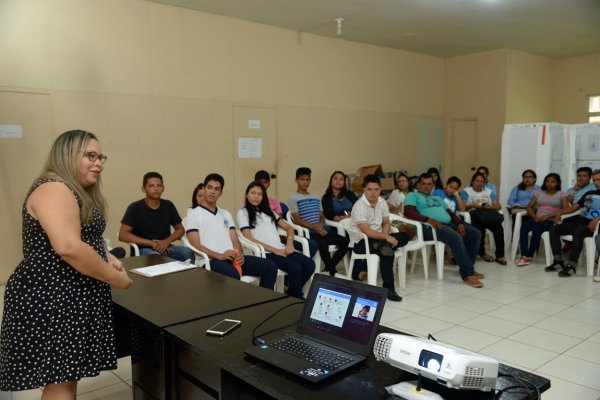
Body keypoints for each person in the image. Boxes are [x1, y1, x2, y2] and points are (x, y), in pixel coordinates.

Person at [0, 130, 132, 396]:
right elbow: (69, 248)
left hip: (68, 293)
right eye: (90, 156)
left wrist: (105, 255)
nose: (99, 163)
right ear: (68, 155)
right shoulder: (55, 188)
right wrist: (114, 278)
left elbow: (80, 237)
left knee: (64, 378)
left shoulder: (70, 190)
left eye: (101, 157)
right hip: (53, 296)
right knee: (61, 379)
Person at [184, 173, 278, 288]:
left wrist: (240, 254)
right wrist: (219, 256)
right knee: (233, 276)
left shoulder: (225, 214)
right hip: (210, 261)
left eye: (217, 189)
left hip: (232, 258)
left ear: (220, 193)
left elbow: (235, 239)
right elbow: (196, 244)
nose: (212, 192)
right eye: (209, 187)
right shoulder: (193, 215)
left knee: (270, 267)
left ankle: (265, 303)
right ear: (203, 189)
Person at [404, 173, 484, 288]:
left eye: (429, 184)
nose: (426, 186)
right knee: (456, 237)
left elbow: (450, 213)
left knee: (475, 233)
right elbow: (408, 212)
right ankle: (468, 274)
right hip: (428, 227)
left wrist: (460, 223)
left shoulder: (437, 198)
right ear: (419, 185)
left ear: (433, 185)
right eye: (423, 184)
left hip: (448, 224)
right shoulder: (413, 195)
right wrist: (427, 219)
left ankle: (468, 266)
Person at [237, 181, 316, 299]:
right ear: (247, 194)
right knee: (296, 268)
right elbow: (249, 238)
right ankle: (296, 297)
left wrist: (289, 244)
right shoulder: (243, 213)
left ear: (263, 197)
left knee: (309, 265)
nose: (256, 196)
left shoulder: (269, 212)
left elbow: (289, 228)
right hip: (266, 253)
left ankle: (292, 293)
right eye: (253, 193)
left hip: (282, 248)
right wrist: (275, 250)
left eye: (259, 194)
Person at [349, 175, 409, 301]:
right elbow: (366, 231)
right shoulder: (359, 206)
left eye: (376, 189)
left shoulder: (381, 201)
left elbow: (386, 222)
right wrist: (386, 237)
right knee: (387, 252)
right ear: (364, 189)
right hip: (361, 241)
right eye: (369, 189)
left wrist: (385, 237)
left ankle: (383, 245)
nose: (373, 193)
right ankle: (389, 290)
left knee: (404, 236)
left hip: (379, 238)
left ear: (380, 190)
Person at [289, 167, 349, 276]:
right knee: (322, 243)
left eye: (307, 180)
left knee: (345, 241)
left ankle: (328, 269)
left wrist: (320, 225)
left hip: (320, 230)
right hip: (308, 233)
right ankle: (332, 272)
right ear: (296, 180)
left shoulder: (316, 197)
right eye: (302, 179)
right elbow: (297, 220)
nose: (305, 182)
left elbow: (322, 217)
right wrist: (314, 227)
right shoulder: (293, 198)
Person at [119, 172, 192, 262]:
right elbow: (123, 235)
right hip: (143, 249)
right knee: (156, 257)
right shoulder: (135, 207)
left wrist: (166, 242)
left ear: (163, 188)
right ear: (143, 189)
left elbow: (180, 229)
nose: (156, 188)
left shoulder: (168, 205)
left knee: (187, 253)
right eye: (151, 186)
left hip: (166, 247)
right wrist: (151, 243)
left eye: (159, 185)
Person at [545, 169, 600, 277]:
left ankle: (571, 266)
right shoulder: (590, 193)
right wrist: (559, 213)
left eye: (599, 180)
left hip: (594, 226)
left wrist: (597, 218)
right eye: (594, 180)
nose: (596, 183)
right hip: (581, 222)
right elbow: (574, 207)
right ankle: (558, 262)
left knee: (577, 231)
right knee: (553, 229)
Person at [515, 173, 567, 266]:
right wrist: (534, 216)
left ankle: (529, 256)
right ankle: (524, 255)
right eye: (547, 181)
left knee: (536, 230)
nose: (549, 184)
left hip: (550, 220)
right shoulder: (539, 192)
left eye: (552, 182)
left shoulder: (561, 194)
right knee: (523, 228)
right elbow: (529, 207)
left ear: (558, 183)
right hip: (537, 218)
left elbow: (566, 209)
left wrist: (549, 216)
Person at [461, 172, 507, 265]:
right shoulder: (466, 191)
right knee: (480, 230)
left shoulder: (489, 192)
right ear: (472, 181)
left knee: (499, 228)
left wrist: (492, 207)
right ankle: (482, 253)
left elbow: (498, 206)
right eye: (477, 181)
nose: (479, 183)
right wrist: (472, 206)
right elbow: (462, 207)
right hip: (474, 216)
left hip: (488, 215)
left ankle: (500, 255)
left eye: (482, 182)